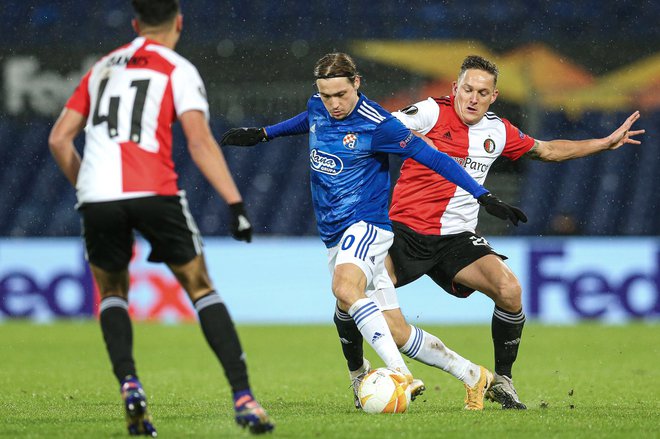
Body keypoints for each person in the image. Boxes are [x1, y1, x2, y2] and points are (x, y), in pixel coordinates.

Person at [334, 55, 646, 410]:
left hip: (456, 239)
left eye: (482, 93)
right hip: (404, 232)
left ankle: (503, 381)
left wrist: (604, 143)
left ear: (494, 96)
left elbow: (547, 150)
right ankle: (359, 374)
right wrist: (420, 140)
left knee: (510, 290)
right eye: (467, 89)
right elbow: (382, 127)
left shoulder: (498, 131)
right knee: (350, 294)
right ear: (455, 89)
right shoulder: (431, 111)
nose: (473, 98)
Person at [221, 52, 528, 411]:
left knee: (344, 288)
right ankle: (474, 376)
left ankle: (396, 375)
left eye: (341, 95)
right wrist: (264, 134)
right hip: (333, 229)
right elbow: (312, 118)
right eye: (326, 95)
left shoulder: (379, 124)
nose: (333, 104)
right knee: (391, 328)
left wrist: (483, 195)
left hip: (367, 224)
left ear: (357, 83)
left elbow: (437, 158)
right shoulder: (320, 106)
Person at [48, 0, 273, 435]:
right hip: (154, 191)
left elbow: (59, 139)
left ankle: (130, 385)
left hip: (98, 197)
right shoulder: (178, 69)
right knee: (201, 287)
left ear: (135, 25)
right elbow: (200, 141)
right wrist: (235, 204)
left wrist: (86, 189)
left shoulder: (102, 68)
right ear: (179, 23)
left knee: (112, 293)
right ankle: (243, 397)